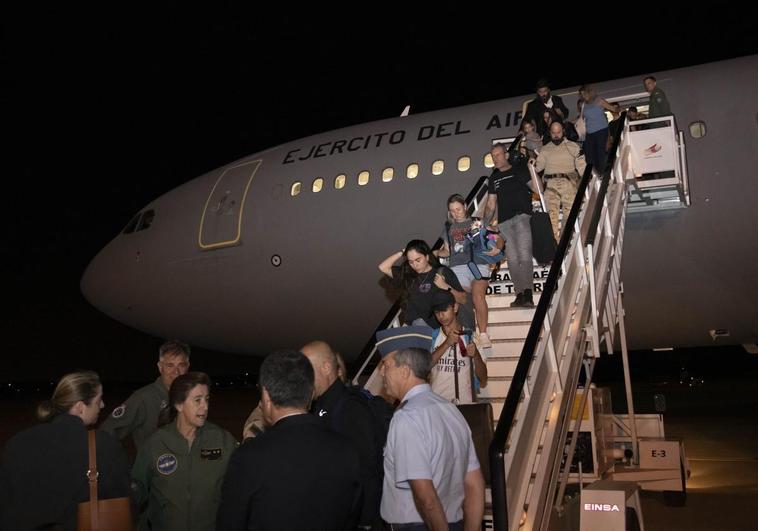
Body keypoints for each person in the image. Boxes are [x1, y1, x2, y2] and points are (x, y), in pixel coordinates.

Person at [217, 350, 362, 531]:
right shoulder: (346, 450)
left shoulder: (248, 457)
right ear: (311, 394)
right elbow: (352, 516)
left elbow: (230, 523)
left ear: (266, 398)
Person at [376, 326, 485, 531]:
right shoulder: (452, 412)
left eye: (385, 364)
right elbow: (475, 485)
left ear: (405, 370)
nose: (382, 372)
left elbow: (426, 498)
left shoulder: (406, 418)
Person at [0, 371, 131, 531]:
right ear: (80, 407)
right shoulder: (103, 445)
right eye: (98, 400)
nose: (103, 405)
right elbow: (123, 498)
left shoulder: (17, 442)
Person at [131, 372, 237, 531]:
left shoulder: (223, 441)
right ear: (179, 404)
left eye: (207, 399)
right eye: (197, 400)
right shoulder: (156, 443)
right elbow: (137, 490)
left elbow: (239, 489)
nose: (205, 406)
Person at [302, 340, 383, 530]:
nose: (302, 379)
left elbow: (368, 467)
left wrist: (365, 520)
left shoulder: (350, 408)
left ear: (327, 367)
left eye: (307, 371)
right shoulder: (321, 405)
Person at [101, 339, 190, 450]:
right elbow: (107, 432)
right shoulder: (143, 398)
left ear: (188, 366)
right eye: (170, 365)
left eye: (181, 365)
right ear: (160, 367)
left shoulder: (192, 397)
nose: (176, 372)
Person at [434, 194, 497, 349]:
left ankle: (483, 334)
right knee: (458, 299)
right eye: (452, 211)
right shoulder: (448, 227)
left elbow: (492, 238)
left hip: (478, 264)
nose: (456, 213)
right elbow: (448, 251)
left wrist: (494, 241)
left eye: (458, 209)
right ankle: (464, 333)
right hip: (458, 267)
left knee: (477, 295)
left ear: (465, 206)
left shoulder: (477, 222)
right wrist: (435, 253)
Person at [482, 143, 535, 307]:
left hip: (522, 218)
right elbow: (491, 204)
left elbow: (535, 188)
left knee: (524, 255)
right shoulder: (494, 178)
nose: (495, 159)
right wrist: (484, 224)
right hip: (504, 223)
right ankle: (519, 294)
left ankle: (528, 293)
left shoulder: (519, 170)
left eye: (497, 155)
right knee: (512, 259)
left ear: (506, 155)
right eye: (492, 156)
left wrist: (532, 170)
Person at [378, 239, 469, 328]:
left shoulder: (442, 272)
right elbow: (383, 267)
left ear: (427, 257)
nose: (415, 265)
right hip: (412, 328)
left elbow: (463, 299)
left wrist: (446, 287)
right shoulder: (408, 276)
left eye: (418, 260)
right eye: (411, 262)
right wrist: (403, 252)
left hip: (434, 328)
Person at [429, 290, 488, 404]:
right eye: (437, 312)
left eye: (444, 310)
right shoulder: (432, 336)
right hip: (438, 405)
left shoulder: (471, 337)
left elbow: (483, 379)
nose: (441, 316)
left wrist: (476, 355)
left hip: (465, 405)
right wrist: (447, 343)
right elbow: (424, 367)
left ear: (455, 307)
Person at [533, 121, 587, 241]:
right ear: (550, 133)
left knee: (570, 217)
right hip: (551, 184)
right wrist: (531, 159)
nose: (556, 135)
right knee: (551, 218)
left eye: (558, 132)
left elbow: (582, 168)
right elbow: (537, 167)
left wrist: (587, 182)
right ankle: (555, 246)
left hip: (569, 183)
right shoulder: (545, 149)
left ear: (563, 131)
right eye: (553, 133)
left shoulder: (573, 147)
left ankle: (564, 242)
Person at [577, 84, 617, 175]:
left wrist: (617, 110)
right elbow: (581, 118)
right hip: (589, 133)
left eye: (584, 93)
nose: (583, 96)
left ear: (589, 93)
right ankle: (594, 174)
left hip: (601, 130)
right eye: (581, 94)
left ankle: (602, 173)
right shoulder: (583, 105)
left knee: (600, 152)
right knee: (589, 154)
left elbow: (613, 109)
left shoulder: (599, 100)